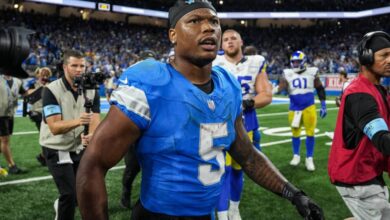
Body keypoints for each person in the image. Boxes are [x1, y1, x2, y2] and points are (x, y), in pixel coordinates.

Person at [76, 1, 324, 220]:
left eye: (214, 21)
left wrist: (294, 194)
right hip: (157, 215)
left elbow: (246, 155)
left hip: (206, 214)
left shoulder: (228, 85)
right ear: (173, 35)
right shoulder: (150, 81)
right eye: (195, 21)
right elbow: (93, 164)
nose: (208, 28)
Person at [328, 31, 390, 220]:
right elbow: (382, 140)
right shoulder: (361, 95)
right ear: (367, 57)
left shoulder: (377, 89)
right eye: (384, 55)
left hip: (367, 170)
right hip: (356, 176)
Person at [213, 30, 272, 220]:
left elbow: (266, 95)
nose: (229, 41)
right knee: (222, 171)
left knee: (239, 169)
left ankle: (234, 208)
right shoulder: (214, 63)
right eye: (226, 39)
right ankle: (222, 215)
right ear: (221, 45)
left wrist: (248, 103)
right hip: (220, 123)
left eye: (233, 38)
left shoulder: (255, 63)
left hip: (247, 122)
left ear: (241, 42)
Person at [40, 49, 100, 220]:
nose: (79, 69)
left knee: (80, 194)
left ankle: (61, 204)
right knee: (69, 194)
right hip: (56, 146)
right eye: (74, 65)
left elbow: (95, 118)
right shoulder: (51, 90)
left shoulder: (91, 89)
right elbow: (54, 127)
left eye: (82, 66)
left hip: (78, 146)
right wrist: (79, 122)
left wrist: (93, 134)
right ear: (65, 67)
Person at [278, 50, 327, 171]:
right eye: (293, 62)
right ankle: (296, 155)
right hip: (294, 108)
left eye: (297, 62)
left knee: (310, 133)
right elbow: (281, 88)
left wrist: (323, 104)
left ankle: (309, 158)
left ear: (304, 61)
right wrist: (274, 90)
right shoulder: (287, 73)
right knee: (295, 133)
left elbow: (320, 88)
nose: (295, 64)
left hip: (308, 107)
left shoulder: (312, 72)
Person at [119, 49, 156, 209]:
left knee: (155, 167)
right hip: (134, 130)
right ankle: (125, 192)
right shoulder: (130, 77)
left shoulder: (160, 79)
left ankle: (149, 197)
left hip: (152, 131)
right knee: (132, 168)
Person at [25, 67, 52, 166]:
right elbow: (28, 96)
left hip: (48, 112)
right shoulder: (33, 84)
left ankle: (43, 156)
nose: (44, 76)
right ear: (38, 74)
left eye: (46, 74)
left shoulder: (51, 84)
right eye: (42, 74)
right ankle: (44, 157)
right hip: (37, 113)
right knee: (44, 135)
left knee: (49, 135)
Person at [0, 74, 26, 174]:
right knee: (5, 140)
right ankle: (11, 165)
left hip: (10, 114)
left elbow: (25, 93)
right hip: (0, 114)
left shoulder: (17, 81)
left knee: (2, 140)